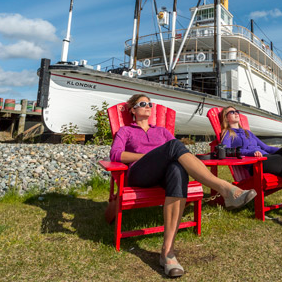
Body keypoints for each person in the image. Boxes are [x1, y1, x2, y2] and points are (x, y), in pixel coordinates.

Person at [110, 94, 257, 278]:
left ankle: (168, 252)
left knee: (177, 169)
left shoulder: (161, 131)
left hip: (162, 175)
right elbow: (115, 155)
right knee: (173, 146)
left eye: (150, 104)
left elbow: (176, 153)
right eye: (142, 104)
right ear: (132, 110)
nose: (148, 106)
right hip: (139, 174)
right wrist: (147, 158)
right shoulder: (126, 131)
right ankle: (225, 188)